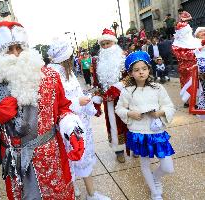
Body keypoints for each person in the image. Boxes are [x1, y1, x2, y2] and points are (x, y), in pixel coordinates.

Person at [0, 21, 85, 199]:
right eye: (8, 50)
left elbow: (63, 108)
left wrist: (72, 129)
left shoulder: (49, 76)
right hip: (16, 161)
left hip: (50, 155)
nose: (16, 54)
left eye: (20, 48)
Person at [47, 40, 110, 200]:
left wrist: (86, 98)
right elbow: (56, 103)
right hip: (68, 126)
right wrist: (77, 102)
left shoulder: (67, 72)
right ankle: (82, 192)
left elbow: (73, 93)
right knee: (73, 158)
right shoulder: (52, 75)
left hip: (78, 121)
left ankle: (88, 193)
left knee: (80, 156)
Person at [116, 51, 175, 200]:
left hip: (157, 132)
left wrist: (160, 112)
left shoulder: (158, 88)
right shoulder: (127, 91)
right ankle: (155, 192)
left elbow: (169, 106)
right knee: (145, 164)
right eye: (136, 70)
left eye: (144, 68)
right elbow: (119, 108)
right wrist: (130, 114)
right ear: (130, 73)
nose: (141, 72)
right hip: (139, 133)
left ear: (149, 69)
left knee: (168, 167)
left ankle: (155, 178)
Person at [93, 28, 128, 163]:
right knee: (113, 124)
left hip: (125, 97)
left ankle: (134, 147)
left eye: (108, 43)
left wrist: (117, 87)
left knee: (129, 122)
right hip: (109, 100)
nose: (106, 47)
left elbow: (130, 77)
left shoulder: (123, 59)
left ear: (114, 43)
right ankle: (118, 150)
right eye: (103, 44)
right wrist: (97, 98)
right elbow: (96, 82)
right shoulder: (97, 62)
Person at [172, 22, 202, 107]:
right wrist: (196, 52)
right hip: (185, 69)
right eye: (186, 32)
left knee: (197, 85)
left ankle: (194, 101)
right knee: (187, 84)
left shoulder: (194, 41)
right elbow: (183, 55)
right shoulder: (176, 44)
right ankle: (189, 102)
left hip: (196, 66)